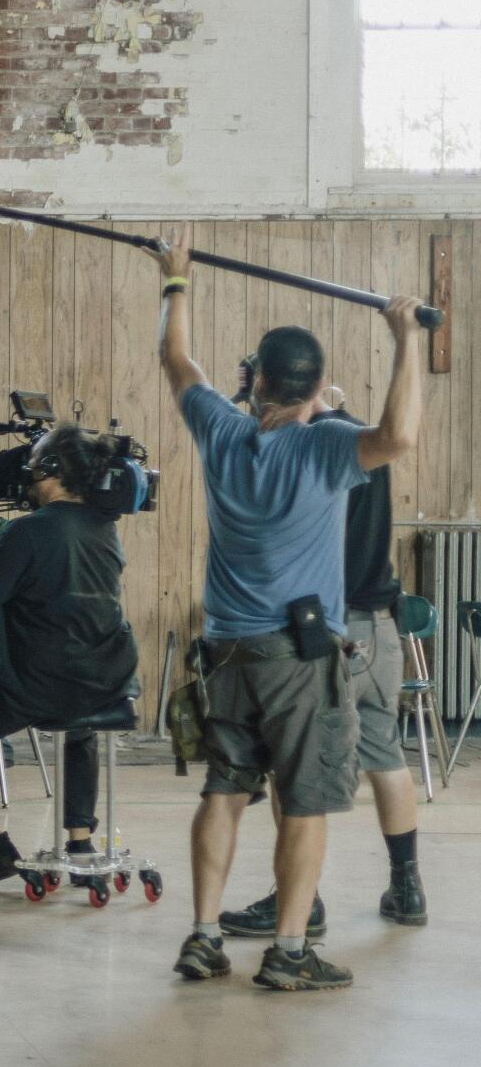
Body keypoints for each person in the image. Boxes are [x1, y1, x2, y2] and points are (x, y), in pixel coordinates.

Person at [158, 225, 425, 991]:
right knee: (304, 803)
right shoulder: (325, 449)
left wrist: (176, 282)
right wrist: (404, 338)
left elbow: (178, 362)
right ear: (316, 389)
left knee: (225, 791)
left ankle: (205, 936)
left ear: (257, 382)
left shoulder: (222, 433)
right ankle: (287, 952)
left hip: (227, 654)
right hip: (300, 662)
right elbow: (399, 434)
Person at [219, 383, 428, 936]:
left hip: (322, 628)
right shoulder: (368, 442)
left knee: (294, 760)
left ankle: (300, 902)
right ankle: (407, 886)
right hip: (379, 621)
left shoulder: (319, 449)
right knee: (386, 754)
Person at [0, 427, 140, 889]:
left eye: (34, 465)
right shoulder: (104, 528)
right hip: (107, 678)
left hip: (35, 685)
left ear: (51, 471)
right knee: (80, 723)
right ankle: (80, 842)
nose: (26, 475)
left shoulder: (26, 531)